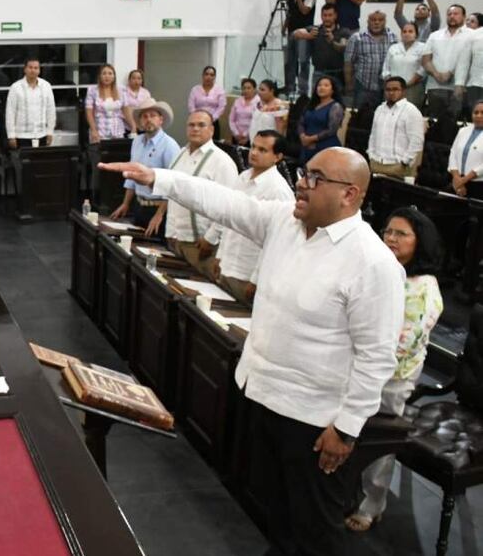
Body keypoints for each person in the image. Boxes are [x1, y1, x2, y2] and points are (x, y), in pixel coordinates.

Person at [99, 147, 404, 556]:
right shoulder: (284, 222)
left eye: (315, 178)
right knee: (275, 515)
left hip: (314, 423)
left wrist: (347, 429)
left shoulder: (373, 263)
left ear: (349, 194)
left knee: (315, 533)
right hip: (262, 398)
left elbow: (376, 357)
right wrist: (159, 179)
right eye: (303, 173)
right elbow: (226, 203)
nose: (301, 183)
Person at [345, 207, 443, 532]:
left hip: (391, 378)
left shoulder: (424, 287)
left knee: (376, 442)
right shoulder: (382, 269)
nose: (391, 238)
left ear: (420, 242)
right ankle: (346, 493)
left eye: (401, 234)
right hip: (359, 365)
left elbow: (403, 343)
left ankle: (371, 505)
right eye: (388, 231)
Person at [214, 130, 294, 304]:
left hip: (248, 274)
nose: (254, 153)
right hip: (228, 264)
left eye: (263, 150)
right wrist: (220, 255)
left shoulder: (278, 190)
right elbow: (229, 219)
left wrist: (257, 279)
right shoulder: (243, 177)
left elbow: (276, 242)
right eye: (253, 147)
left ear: (277, 157)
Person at [165, 110, 239, 276]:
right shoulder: (180, 154)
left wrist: (210, 239)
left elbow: (229, 206)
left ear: (211, 130)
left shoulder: (222, 161)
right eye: (191, 125)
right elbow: (172, 195)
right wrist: (170, 231)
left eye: (201, 125)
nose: (195, 129)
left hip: (201, 244)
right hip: (176, 238)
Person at [109, 99, 181, 237]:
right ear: (140, 122)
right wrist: (125, 203)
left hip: (159, 210)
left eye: (153, 115)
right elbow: (132, 176)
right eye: (145, 116)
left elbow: (173, 186)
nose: (149, 120)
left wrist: (160, 215)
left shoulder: (170, 146)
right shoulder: (137, 142)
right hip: (139, 205)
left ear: (161, 119)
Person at [421, 4, 474, 144]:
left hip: (460, 88)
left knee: (455, 125)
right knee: (434, 124)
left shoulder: (472, 35)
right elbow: (426, 60)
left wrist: (451, 73)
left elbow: (471, 60)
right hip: (435, 86)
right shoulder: (435, 35)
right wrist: (436, 73)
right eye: (450, 14)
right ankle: (434, 157)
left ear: (463, 16)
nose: (452, 16)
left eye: (456, 14)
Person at [367, 77, 426, 180]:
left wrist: (405, 161)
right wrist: (371, 154)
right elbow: (373, 135)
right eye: (388, 90)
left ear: (403, 91)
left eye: (395, 89)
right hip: (376, 163)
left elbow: (417, 141)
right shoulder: (379, 109)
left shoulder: (411, 111)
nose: (391, 93)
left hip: (398, 165)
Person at [345, 11, 398, 114]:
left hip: (385, 88)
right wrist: (349, 85)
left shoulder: (393, 38)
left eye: (380, 20)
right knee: (359, 116)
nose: (376, 23)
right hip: (363, 86)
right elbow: (348, 62)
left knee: (382, 117)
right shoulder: (357, 38)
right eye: (373, 20)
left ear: (385, 22)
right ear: (368, 21)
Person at [293, 4, 349, 92]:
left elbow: (343, 47)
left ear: (335, 16)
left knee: (337, 102)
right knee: (316, 102)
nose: (327, 18)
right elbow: (295, 34)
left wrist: (332, 41)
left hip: (337, 74)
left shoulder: (343, 31)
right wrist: (308, 35)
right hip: (319, 73)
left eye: (330, 15)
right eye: (325, 15)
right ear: (321, 16)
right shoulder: (315, 30)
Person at [5, 58, 55, 149]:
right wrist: (11, 136)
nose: (33, 70)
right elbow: (10, 112)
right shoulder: (16, 87)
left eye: (36, 68)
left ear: (39, 70)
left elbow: (51, 110)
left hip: (41, 134)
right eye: (30, 67)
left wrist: (50, 132)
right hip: (22, 135)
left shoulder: (46, 86)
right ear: (25, 69)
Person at [285, 0, 318, 96]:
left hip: (304, 31)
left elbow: (305, 10)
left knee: (303, 61)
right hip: (291, 30)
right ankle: (290, 89)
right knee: (290, 61)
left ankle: (303, 91)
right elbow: (290, 11)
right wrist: (284, 27)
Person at [381, 21, 426, 108]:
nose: (407, 34)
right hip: (392, 89)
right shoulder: (393, 48)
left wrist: (407, 84)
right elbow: (386, 68)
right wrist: (392, 84)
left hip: (413, 88)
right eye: (404, 31)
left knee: (410, 113)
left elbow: (423, 69)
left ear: (416, 34)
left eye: (410, 31)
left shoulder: (423, 47)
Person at [300, 76, 345, 162]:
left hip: (325, 146)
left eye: (326, 85)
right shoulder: (311, 104)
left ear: (332, 90)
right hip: (306, 145)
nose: (321, 88)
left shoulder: (335, 107)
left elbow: (331, 130)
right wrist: (303, 136)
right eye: (319, 85)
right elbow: (301, 122)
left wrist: (311, 139)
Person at [86, 64, 134, 143]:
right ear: (100, 76)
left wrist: (133, 126)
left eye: (110, 73)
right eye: (104, 73)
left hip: (117, 131)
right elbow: (89, 112)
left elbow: (126, 110)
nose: (107, 76)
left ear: (114, 76)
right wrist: (93, 130)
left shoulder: (121, 90)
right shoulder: (92, 90)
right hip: (99, 131)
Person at [449, 101, 483, 199]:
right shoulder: (463, 131)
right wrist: (456, 178)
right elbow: (453, 153)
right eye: (476, 112)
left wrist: (463, 180)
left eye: (482, 113)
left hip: (478, 184)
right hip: (457, 181)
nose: (478, 115)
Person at [187, 66, 227, 139]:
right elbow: (191, 106)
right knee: (197, 142)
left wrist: (211, 119)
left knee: (212, 146)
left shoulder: (220, 90)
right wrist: (197, 118)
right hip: (197, 122)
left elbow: (221, 107)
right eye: (206, 74)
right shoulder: (195, 89)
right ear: (203, 76)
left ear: (214, 77)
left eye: (211, 75)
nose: (208, 77)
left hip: (213, 122)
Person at [228, 78, 258, 146]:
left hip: (251, 137)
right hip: (236, 136)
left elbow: (255, 122)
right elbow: (231, 119)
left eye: (249, 88)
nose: (246, 90)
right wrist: (236, 133)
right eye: (244, 88)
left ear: (254, 89)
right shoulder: (237, 101)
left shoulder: (258, 103)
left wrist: (245, 135)